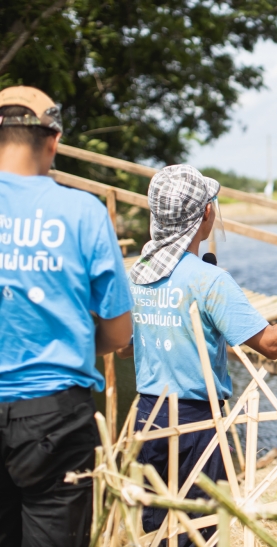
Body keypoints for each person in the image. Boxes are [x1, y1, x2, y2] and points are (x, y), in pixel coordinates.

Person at [128, 165, 277, 543]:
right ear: (206, 213)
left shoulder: (138, 273)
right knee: (201, 530)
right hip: (195, 420)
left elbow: (124, 346)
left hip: (147, 416)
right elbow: (271, 344)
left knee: (159, 527)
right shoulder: (208, 280)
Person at [0, 86, 133, 547]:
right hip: (55, 416)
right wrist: (74, 342)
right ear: (53, 140)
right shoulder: (83, 211)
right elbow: (119, 333)